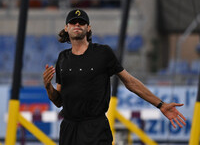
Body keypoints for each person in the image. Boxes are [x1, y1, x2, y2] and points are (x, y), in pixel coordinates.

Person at [43, 9, 186, 145]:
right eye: (73, 22)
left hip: (95, 128)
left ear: (89, 28)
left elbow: (130, 82)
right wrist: (48, 87)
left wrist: (160, 104)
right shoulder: (62, 58)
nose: (77, 25)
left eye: (81, 22)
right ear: (66, 28)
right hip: (69, 128)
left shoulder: (103, 53)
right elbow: (58, 101)